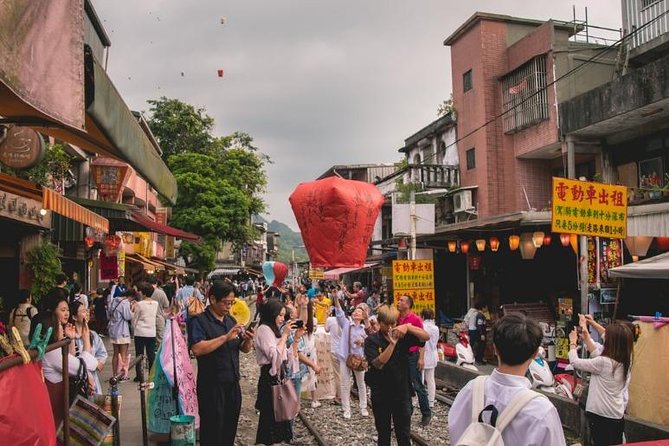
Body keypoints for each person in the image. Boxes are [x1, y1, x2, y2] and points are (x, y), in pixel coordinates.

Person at [448, 313, 566, 445]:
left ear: (495, 349)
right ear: (534, 354)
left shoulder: (471, 389)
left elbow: (455, 433)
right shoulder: (541, 410)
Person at [189, 281, 254, 446]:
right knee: (212, 430)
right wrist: (225, 337)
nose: (229, 306)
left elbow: (243, 349)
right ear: (212, 299)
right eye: (226, 302)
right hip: (211, 385)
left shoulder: (231, 320)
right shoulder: (199, 321)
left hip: (232, 384)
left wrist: (248, 341)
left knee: (229, 428)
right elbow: (197, 349)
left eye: (231, 302)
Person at [364, 304, 430, 446]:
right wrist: (392, 344)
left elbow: (426, 337)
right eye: (386, 324)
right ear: (379, 322)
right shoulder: (371, 340)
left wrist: (408, 327)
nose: (389, 327)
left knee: (403, 433)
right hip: (380, 393)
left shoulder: (401, 335)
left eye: (393, 323)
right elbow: (378, 363)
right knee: (383, 433)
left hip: (402, 392)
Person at [34, 297, 97, 429]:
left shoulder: (48, 350)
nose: (61, 328)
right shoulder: (52, 353)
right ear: (50, 330)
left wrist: (70, 339)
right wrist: (86, 339)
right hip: (56, 412)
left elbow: (70, 359)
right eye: (58, 326)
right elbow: (84, 367)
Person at [569, 320, 633, 446]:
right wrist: (589, 328)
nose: (604, 336)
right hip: (616, 415)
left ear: (611, 342)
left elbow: (575, 362)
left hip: (601, 415)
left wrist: (572, 342)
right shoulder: (626, 358)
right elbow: (597, 352)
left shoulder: (604, 362)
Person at [254, 299, 296, 445]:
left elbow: (285, 355)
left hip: (278, 375)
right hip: (269, 378)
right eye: (280, 315)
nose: (282, 319)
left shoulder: (274, 329)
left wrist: (295, 338)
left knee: (278, 419)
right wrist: (284, 336)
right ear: (272, 314)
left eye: (284, 315)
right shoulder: (264, 329)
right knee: (271, 419)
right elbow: (274, 355)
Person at [334, 285, 369, 419]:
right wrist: (336, 298)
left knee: (361, 383)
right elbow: (339, 312)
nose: (355, 313)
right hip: (345, 357)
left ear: (363, 316)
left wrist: (363, 342)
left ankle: (363, 407)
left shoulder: (365, 328)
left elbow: (371, 340)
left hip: (359, 358)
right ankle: (346, 409)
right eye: (355, 311)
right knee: (345, 383)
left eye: (359, 312)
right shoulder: (346, 324)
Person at [397, 295, 431, 426]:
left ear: (408, 304)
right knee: (404, 385)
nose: (399, 302)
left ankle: (426, 413)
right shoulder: (397, 318)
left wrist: (421, 358)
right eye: (399, 300)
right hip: (401, 356)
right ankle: (407, 411)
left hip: (413, 355)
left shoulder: (415, 319)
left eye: (402, 301)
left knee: (418, 385)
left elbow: (422, 340)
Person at [70, 300, 107, 394]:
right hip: (78, 380)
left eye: (86, 310)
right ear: (74, 316)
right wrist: (94, 364)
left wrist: (99, 363)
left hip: (93, 377)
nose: (86, 313)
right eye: (82, 311)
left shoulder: (93, 335)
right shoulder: (70, 337)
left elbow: (102, 353)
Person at [132, 282, 159, 382]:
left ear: (143, 293)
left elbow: (135, 319)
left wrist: (134, 327)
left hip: (140, 332)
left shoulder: (139, 304)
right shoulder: (156, 304)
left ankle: (139, 376)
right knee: (151, 354)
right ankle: (152, 376)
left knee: (139, 354)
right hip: (151, 332)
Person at [107, 288, 134, 381]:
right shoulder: (125, 302)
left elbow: (108, 313)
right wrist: (132, 309)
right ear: (131, 297)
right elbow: (128, 316)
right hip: (122, 330)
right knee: (123, 354)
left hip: (113, 330)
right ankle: (121, 375)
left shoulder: (114, 300)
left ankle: (115, 374)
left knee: (115, 354)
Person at [420, 308, 440, 409]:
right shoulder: (435, 328)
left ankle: (420, 400)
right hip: (432, 354)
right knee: (431, 379)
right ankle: (431, 401)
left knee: (420, 379)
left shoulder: (421, 326)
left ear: (422, 316)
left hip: (422, 354)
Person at [324, 307, 342, 404]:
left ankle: (339, 397)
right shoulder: (347, 319)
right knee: (345, 374)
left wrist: (326, 316)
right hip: (344, 351)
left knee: (337, 374)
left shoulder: (330, 320)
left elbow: (326, 329)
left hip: (335, 349)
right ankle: (345, 395)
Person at [147, 275, 169, 346]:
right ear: (156, 283)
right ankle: (161, 356)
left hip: (148, 318)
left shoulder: (145, 292)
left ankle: (150, 356)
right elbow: (166, 305)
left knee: (149, 340)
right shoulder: (161, 292)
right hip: (159, 318)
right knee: (160, 340)